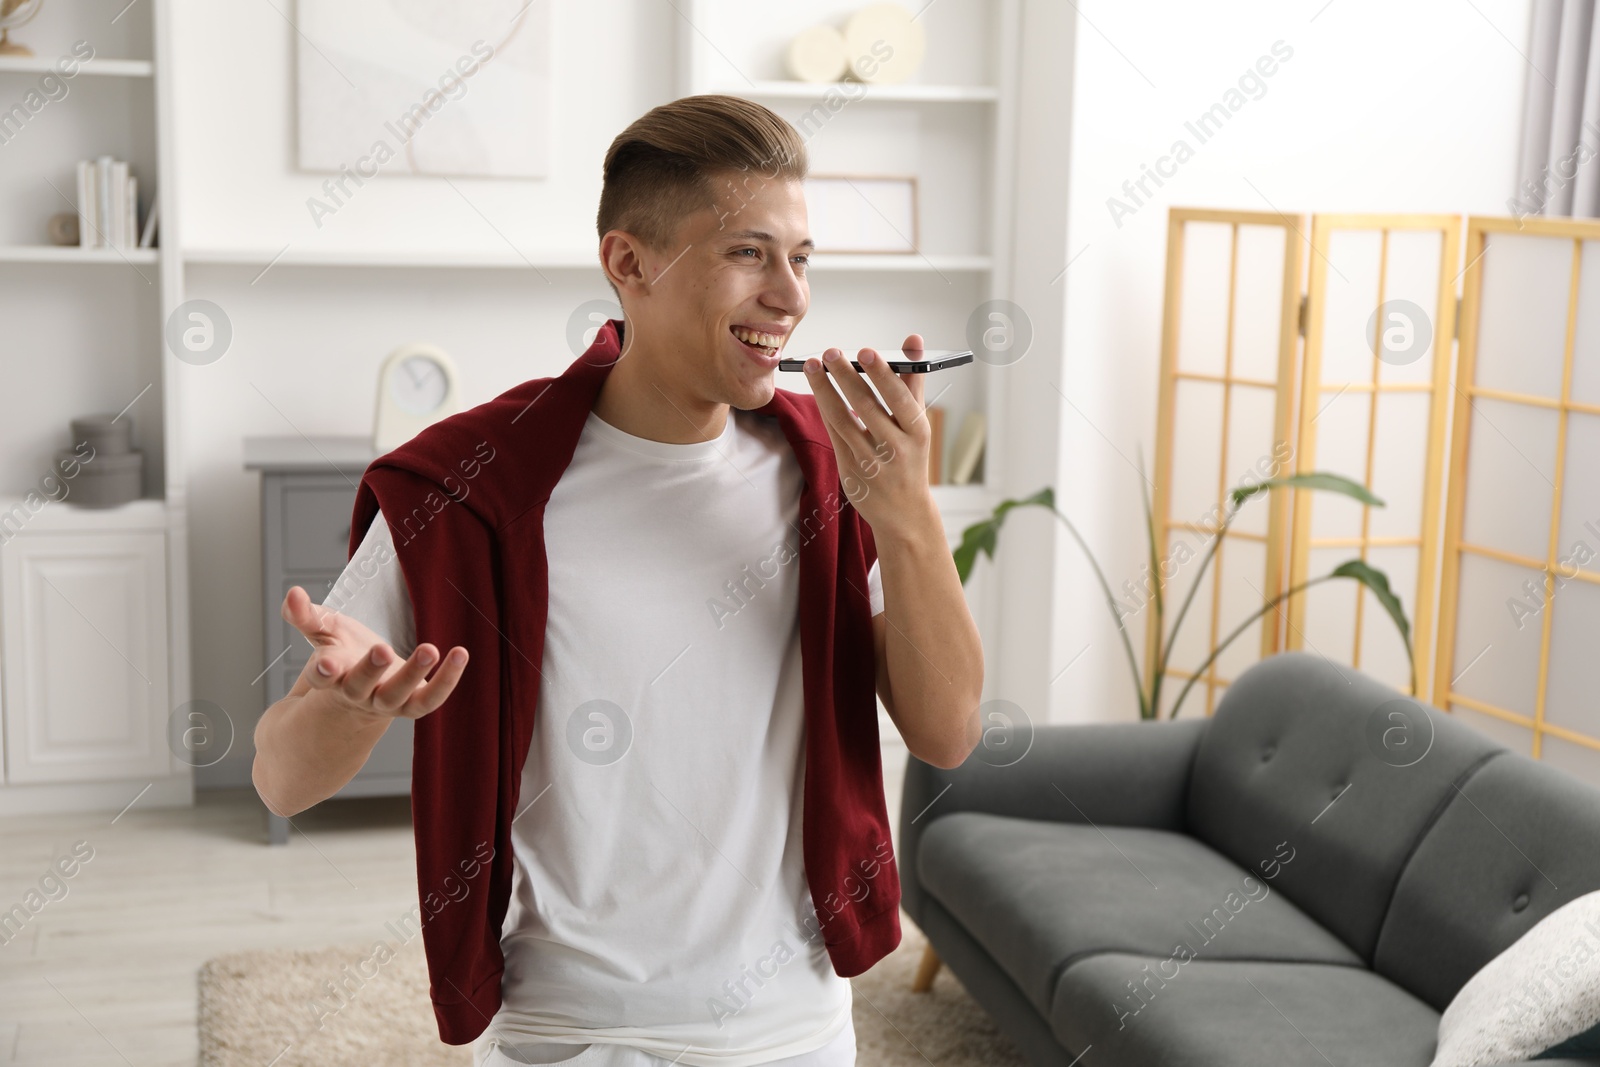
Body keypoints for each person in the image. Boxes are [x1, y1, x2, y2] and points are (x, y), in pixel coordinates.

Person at [251, 94, 984, 1067]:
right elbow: (280, 780)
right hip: (565, 1033)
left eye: (801, 258)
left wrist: (905, 509)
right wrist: (347, 708)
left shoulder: (830, 470)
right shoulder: (468, 485)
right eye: (747, 253)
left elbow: (948, 729)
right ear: (628, 264)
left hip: (792, 1027)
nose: (790, 295)